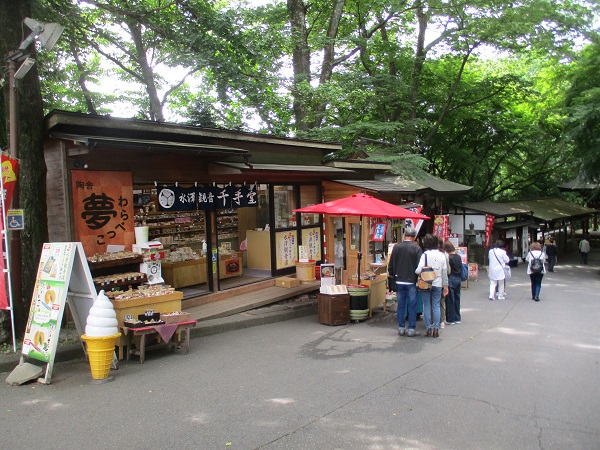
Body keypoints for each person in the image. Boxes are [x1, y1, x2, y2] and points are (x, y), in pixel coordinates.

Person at [388, 227, 422, 337]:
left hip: (399, 280)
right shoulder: (416, 248)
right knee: (412, 305)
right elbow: (419, 266)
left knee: (401, 305)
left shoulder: (397, 247)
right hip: (412, 281)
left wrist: (392, 275)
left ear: (404, 235)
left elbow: (391, 264)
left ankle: (401, 328)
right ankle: (411, 329)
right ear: (414, 237)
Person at [416, 234, 449, 338]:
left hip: (426, 283)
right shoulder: (442, 255)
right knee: (436, 305)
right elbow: (444, 272)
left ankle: (428, 328)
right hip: (438, 283)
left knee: (426, 305)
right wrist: (445, 286)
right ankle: (436, 329)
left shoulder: (425, 255)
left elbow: (418, 270)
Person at [443, 241, 462, 325]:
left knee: (450, 300)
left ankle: (450, 319)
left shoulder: (449, 258)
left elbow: (448, 271)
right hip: (458, 279)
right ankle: (457, 317)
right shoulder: (458, 257)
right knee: (457, 299)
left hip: (451, 279)